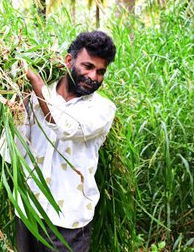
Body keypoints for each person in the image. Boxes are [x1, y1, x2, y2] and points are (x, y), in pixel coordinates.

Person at [6, 31, 117, 252]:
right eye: (88, 66)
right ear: (69, 60)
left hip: (70, 222)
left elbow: (65, 128)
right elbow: (12, 154)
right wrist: (18, 109)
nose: (94, 77)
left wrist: (36, 83)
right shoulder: (35, 96)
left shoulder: (102, 109)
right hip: (28, 211)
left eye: (100, 71)